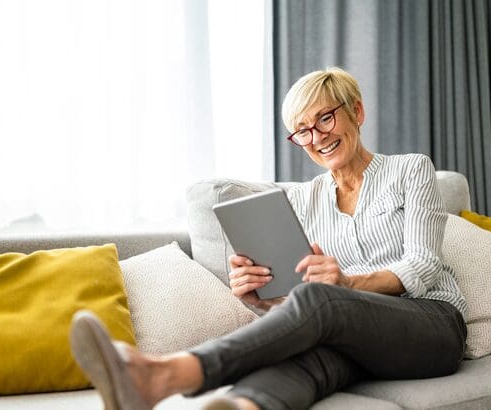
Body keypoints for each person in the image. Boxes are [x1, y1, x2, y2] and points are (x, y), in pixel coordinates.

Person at [69, 67, 467, 410]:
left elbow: (424, 264)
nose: (316, 137)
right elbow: (305, 298)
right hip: (355, 334)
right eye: (302, 131)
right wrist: (263, 298)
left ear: (357, 111)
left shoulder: (410, 170)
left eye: (325, 119)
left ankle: (169, 373)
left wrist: (346, 284)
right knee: (307, 363)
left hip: (431, 324)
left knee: (322, 301)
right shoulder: (302, 200)